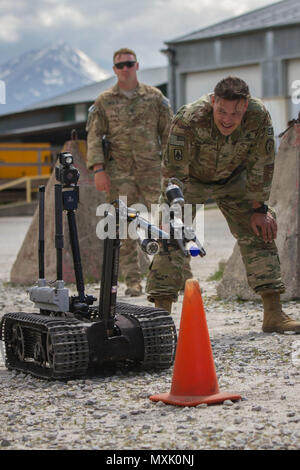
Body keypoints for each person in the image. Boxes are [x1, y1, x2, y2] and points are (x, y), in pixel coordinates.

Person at [146, 76, 300, 333]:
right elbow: (173, 171)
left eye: (236, 113)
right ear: (213, 101)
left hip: (234, 178)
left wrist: (259, 209)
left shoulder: (258, 115)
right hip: (190, 181)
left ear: (246, 105)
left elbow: (262, 163)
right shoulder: (189, 118)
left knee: (261, 229)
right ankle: (160, 319)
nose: (228, 119)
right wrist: (172, 211)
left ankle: (274, 314)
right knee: (170, 235)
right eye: (222, 111)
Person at [86, 47, 175, 296]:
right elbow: (94, 136)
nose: (125, 68)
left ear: (137, 66)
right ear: (114, 70)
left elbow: (168, 134)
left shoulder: (155, 97)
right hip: (119, 173)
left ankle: (160, 278)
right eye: (120, 65)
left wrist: (171, 169)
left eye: (129, 63)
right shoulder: (104, 100)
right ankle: (133, 281)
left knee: (159, 222)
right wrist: (98, 169)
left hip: (151, 170)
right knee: (123, 227)